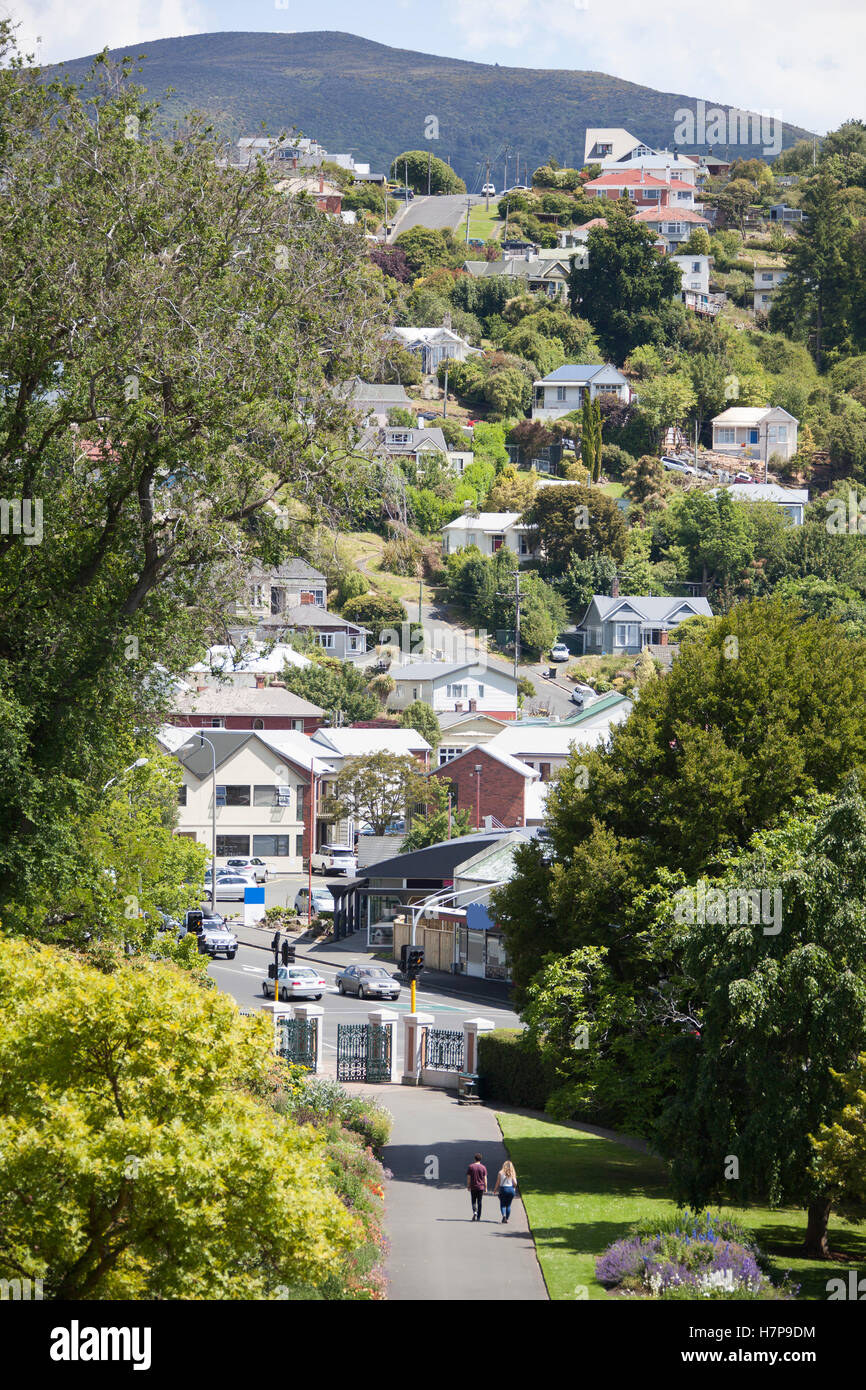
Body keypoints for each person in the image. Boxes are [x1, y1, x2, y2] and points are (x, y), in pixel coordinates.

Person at [466, 1152, 487, 1221]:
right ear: (480, 1159)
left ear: (475, 1159)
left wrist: (468, 1186)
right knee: (480, 1202)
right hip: (480, 1187)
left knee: (473, 1201)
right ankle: (478, 1217)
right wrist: (485, 1187)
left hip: (473, 1186)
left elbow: (469, 1177)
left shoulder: (471, 1167)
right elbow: (485, 1178)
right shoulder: (483, 1167)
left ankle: (474, 1211)